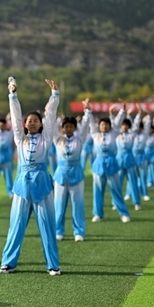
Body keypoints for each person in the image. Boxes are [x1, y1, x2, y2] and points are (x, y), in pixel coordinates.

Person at [0, 77, 61, 275]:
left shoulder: (46, 137)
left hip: (42, 183)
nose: (32, 123)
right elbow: (15, 118)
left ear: (41, 124)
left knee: (47, 225)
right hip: (22, 184)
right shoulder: (20, 138)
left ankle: (53, 265)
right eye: (29, 121)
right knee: (16, 224)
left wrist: (55, 96)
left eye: (36, 121)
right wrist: (13, 95)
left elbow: (51, 117)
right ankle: (9, 262)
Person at [53, 103, 91, 242]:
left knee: (77, 204)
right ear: (62, 128)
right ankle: (58, 231)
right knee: (59, 204)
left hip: (76, 173)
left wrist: (87, 112)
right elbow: (50, 127)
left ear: (75, 128)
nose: (68, 129)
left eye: (71, 126)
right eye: (66, 126)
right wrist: (51, 110)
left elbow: (86, 128)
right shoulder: (58, 139)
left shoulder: (79, 139)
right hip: (61, 174)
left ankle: (79, 231)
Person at [89, 103, 129, 223]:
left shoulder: (114, 133)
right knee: (98, 190)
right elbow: (91, 123)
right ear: (99, 126)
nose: (104, 126)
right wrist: (88, 111)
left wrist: (122, 110)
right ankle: (98, 214)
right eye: (102, 124)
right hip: (98, 163)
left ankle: (123, 213)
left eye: (106, 124)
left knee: (116, 189)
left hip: (111, 163)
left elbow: (118, 122)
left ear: (110, 126)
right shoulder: (95, 135)